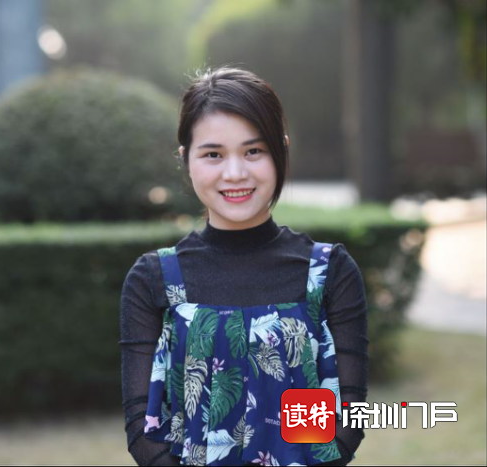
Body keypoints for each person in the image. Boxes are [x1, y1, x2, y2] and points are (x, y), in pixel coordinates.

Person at [119, 67, 367, 466]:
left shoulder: (326, 272)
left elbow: (348, 420)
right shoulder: (154, 279)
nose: (235, 173)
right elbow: (142, 428)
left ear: (281, 151)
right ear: (186, 159)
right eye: (213, 154)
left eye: (254, 151)